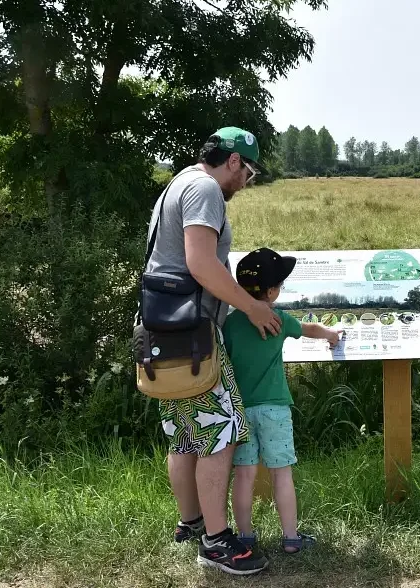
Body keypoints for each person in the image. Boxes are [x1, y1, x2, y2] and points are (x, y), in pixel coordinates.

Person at [146, 126, 280, 576]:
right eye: (250, 172)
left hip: (162, 331)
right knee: (218, 433)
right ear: (235, 161)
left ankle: (191, 522)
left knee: (184, 433)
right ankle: (218, 542)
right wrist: (253, 307)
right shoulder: (205, 189)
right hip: (194, 334)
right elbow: (201, 263)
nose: (247, 183)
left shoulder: (178, 182)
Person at [223, 248, 342, 553]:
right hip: (275, 407)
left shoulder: (231, 324)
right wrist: (332, 335)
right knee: (282, 472)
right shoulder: (279, 319)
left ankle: (245, 536)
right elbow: (310, 329)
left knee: (244, 474)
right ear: (272, 291)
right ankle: (291, 538)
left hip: (240, 409)